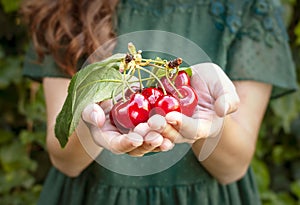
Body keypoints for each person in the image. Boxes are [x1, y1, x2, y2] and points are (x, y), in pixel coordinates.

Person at [20, 0, 297, 204]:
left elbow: (234, 167)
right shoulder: (64, 6)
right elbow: (65, 160)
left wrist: (207, 125)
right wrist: (93, 113)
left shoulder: (249, 6)